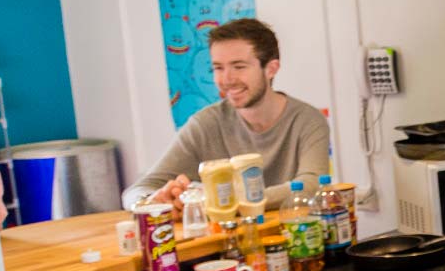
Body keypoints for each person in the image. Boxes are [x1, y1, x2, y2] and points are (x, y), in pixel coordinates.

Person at [121, 18, 329, 213]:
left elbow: (312, 185)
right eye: (218, 68)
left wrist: (222, 201)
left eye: (239, 67)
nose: (226, 79)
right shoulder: (205, 124)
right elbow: (137, 191)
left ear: (271, 69)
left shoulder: (308, 121)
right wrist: (155, 201)